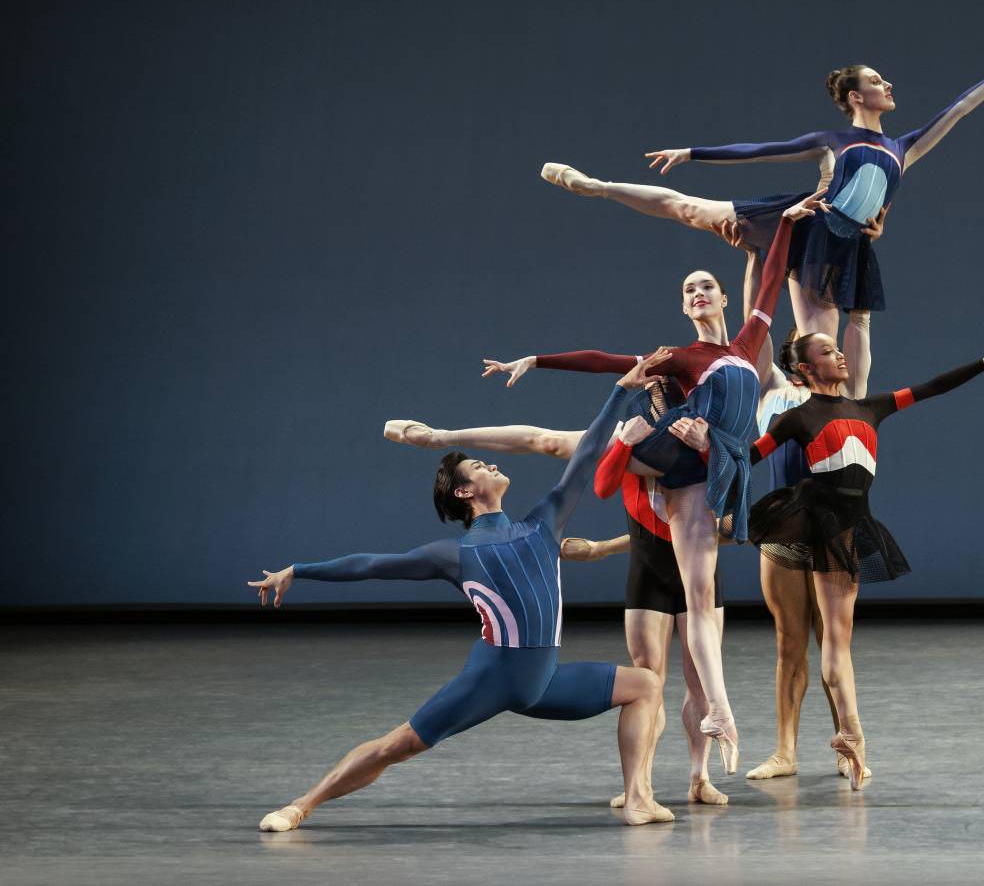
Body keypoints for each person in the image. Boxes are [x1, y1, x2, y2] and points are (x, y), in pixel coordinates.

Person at [248, 354, 678, 830]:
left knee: (646, 685)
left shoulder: (545, 523)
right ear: (464, 492)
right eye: (478, 466)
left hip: (544, 679)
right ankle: (300, 805)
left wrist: (621, 390)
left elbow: (587, 452)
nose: (491, 463)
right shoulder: (454, 554)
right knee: (396, 747)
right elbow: (370, 565)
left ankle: (638, 798)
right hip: (491, 677)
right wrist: (299, 570)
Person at [479, 195, 823, 775]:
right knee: (571, 445)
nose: (698, 292)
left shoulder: (748, 343)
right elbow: (605, 360)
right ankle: (447, 438)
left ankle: (718, 711)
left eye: (706, 286)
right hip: (678, 461)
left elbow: (769, 282)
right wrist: (535, 360)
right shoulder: (682, 356)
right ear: (684, 306)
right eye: (689, 289)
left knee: (701, 601)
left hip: (710, 467)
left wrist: (786, 225)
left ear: (722, 298)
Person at [675, 336, 984, 789]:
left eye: (836, 349)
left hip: (842, 529)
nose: (839, 355)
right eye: (828, 352)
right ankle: (792, 751)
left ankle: (850, 740)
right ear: (806, 370)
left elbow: (931, 388)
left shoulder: (872, 407)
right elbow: (748, 459)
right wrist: (707, 444)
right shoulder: (796, 417)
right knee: (790, 639)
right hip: (800, 518)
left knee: (836, 644)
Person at [538, 55, 984, 368]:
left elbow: (957, 111)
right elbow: (760, 150)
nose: (889, 86)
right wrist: (692, 153)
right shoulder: (833, 140)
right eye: (878, 80)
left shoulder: (904, 148)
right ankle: (596, 186)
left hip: (836, 248)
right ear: (856, 96)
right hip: (801, 218)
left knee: (819, 348)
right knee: (687, 207)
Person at [381, 381, 730, 806]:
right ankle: (641, 785)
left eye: (667, 392)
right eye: (654, 392)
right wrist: (439, 436)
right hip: (649, 571)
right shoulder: (629, 436)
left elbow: (726, 524)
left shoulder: (707, 440)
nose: (660, 399)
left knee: (700, 681)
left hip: (698, 575)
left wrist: (709, 450)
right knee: (648, 680)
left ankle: (699, 776)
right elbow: (545, 443)